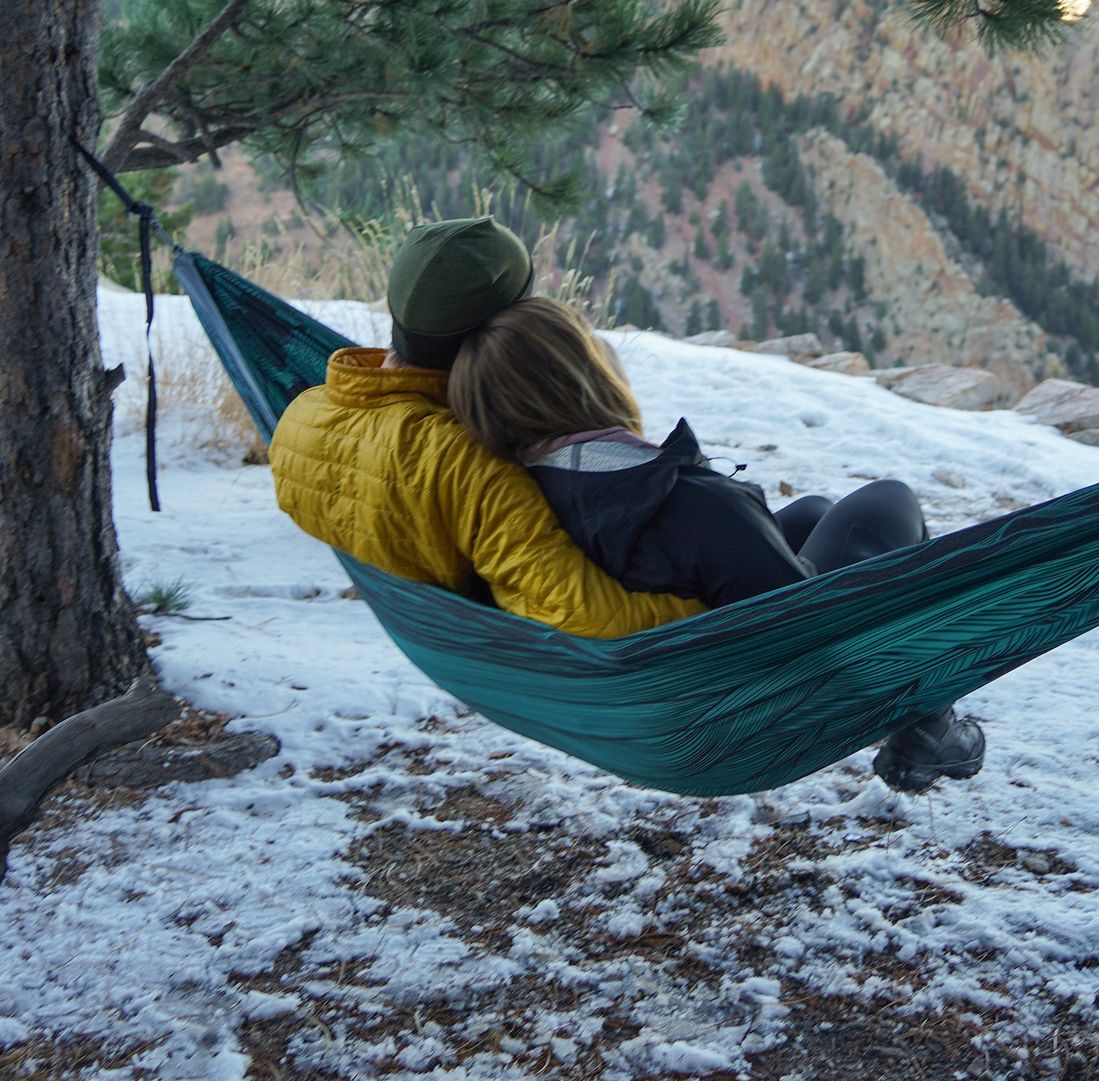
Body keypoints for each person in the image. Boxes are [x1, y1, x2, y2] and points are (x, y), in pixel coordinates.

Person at [446, 294, 986, 793]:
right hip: (738, 713)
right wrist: (719, 494)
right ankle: (930, 731)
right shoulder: (694, 504)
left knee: (816, 512)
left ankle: (926, 726)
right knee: (885, 504)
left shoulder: (514, 504)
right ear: (584, 378)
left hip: (648, 687)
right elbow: (814, 632)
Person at [269, 216, 705, 637]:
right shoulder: (471, 468)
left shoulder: (302, 416)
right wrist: (724, 612)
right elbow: (594, 618)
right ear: (504, 326)